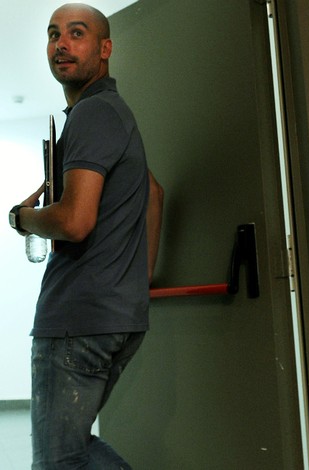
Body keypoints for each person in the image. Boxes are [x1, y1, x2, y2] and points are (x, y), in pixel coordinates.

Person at [7, 3, 164, 468]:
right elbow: (154, 193)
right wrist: (134, 286)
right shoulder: (113, 114)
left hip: (78, 319)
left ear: (105, 47)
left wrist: (21, 218)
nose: (61, 43)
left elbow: (75, 221)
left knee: (59, 460)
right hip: (113, 316)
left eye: (77, 33)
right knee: (72, 451)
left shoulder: (93, 114)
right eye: (54, 34)